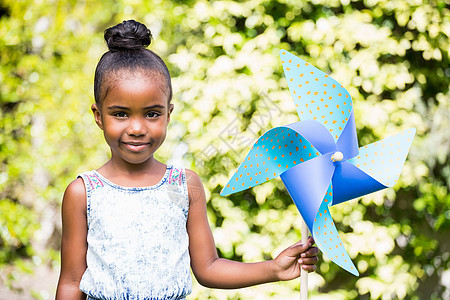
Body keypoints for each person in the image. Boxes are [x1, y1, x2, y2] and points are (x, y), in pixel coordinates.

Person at [55, 20, 319, 300]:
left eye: (152, 114)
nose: (136, 127)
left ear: (169, 114)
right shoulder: (83, 192)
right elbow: (72, 283)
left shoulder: (184, 185)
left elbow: (208, 267)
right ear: (98, 115)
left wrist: (273, 269)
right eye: (120, 114)